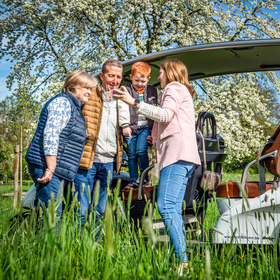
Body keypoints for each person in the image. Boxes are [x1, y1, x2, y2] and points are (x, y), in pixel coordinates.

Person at [114, 59, 200, 274]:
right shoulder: (182, 90)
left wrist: (133, 102)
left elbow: (165, 115)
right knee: (174, 209)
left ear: (169, 72)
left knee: (165, 206)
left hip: (176, 155)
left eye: (160, 72)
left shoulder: (173, 87)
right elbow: (173, 121)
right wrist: (155, 136)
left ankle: (182, 263)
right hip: (186, 157)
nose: (158, 76)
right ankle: (180, 260)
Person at [25, 71, 97, 215]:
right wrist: (50, 168)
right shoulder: (62, 102)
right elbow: (51, 133)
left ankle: (38, 236)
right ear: (73, 87)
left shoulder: (74, 107)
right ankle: (46, 238)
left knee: (53, 212)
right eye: (86, 88)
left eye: (91, 89)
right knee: (53, 214)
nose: (89, 92)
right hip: (46, 166)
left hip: (58, 169)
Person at [74, 59, 130, 225]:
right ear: (102, 76)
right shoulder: (89, 95)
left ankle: (95, 246)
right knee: (82, 209)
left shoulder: (122, 98)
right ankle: (80, 246)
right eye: (111, 75)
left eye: (118, 77)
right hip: (88, 161)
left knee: (99, 210)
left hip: (109, 163)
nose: (115, 80)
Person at [122, 62, 159, 189]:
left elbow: (158, 111)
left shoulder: (153, 91)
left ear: (148, 79)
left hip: (145, 128)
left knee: (141, 151)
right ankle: (133, 180)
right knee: (131, 154)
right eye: (136, 80)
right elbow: (122, 109)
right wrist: (124, 125)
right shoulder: (127, 91)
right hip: (131, 127)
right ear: (131, 77)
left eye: (143, 81)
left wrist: (154, 132)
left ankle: (144, 177)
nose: (139, 84)